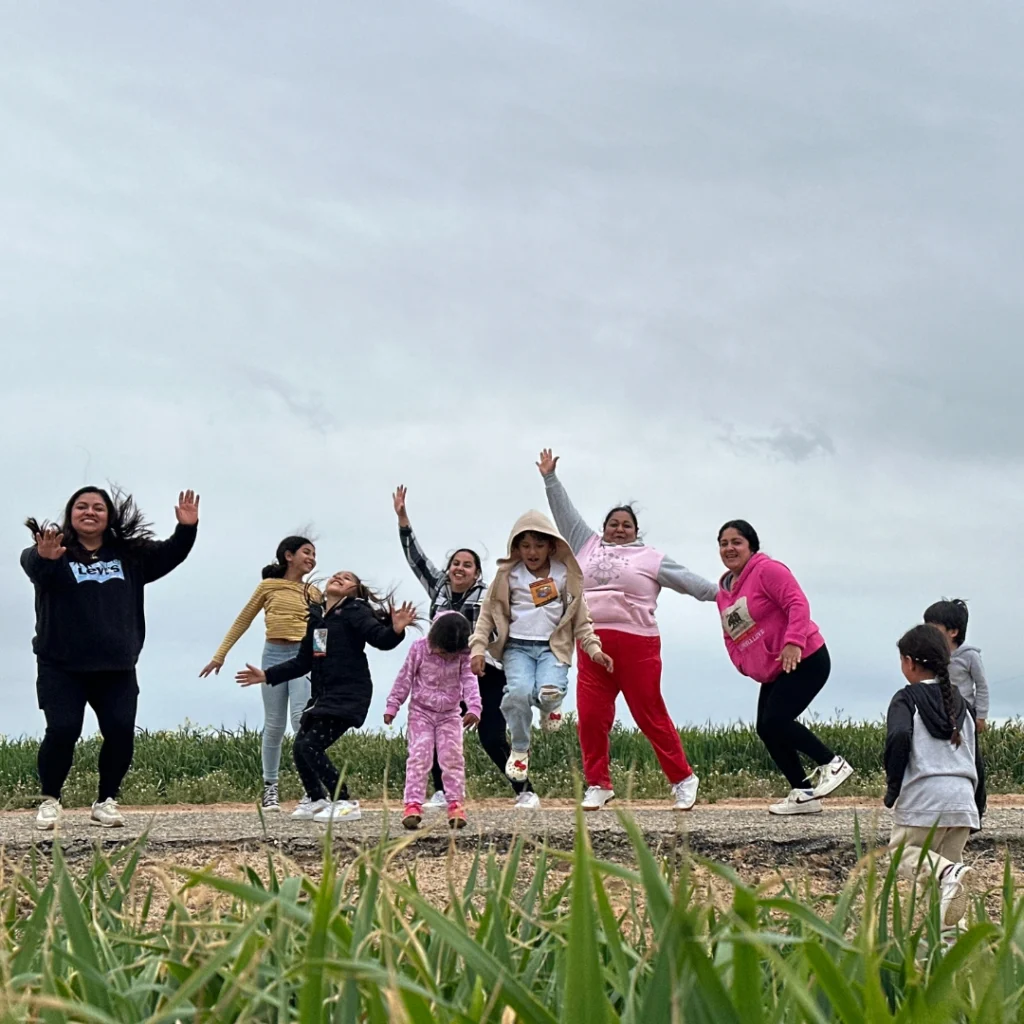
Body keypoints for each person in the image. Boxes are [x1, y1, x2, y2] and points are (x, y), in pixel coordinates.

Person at [538, 449, 717, 812]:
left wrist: (730, 594)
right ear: (602, 528)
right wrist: (550, 478)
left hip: (638, 646)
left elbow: (692, 583)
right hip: (592, 643)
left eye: (626, 525)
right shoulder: (586, 544)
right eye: (613, 524)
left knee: (649, 714)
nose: (619, 529)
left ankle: (683, 779)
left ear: (636, 532)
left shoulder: (650, 558)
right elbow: (564, 512)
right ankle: (598, 784)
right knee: (590, 717)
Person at [21, 486, 199, 831]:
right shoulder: (52, 552)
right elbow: (37, 571)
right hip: (61, 665)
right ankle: (50, 800)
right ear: (70, 514)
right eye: (82, 507)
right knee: (62, 730)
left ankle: (106, 800)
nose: (90, 512)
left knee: (120, 731)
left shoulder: (129, 556)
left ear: (109, 516)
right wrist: (46, 559)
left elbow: (170, 553)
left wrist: (186, 529)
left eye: (98, 508)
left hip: (116, 666)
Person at [393, 485, 539, 809]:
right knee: (433, 734)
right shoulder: (438, 588)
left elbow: (503, 624)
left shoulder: (488, 594)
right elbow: (415, 558)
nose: (459, 568)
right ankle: (442, 792)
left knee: (490, 736)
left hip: (482, 671)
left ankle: (525, 790)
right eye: (455, 563)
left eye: (467, 565)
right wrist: (403, 519)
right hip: (443, 675)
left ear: (476, 573)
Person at [236, 571, 416, 823]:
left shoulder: (355, 610)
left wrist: (395, 630)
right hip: (324, 695)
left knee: (310, 746)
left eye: (347, 578)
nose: (339, 578)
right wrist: (267, 675)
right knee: (300, 747)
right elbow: (304, 662)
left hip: (349, 693)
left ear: (355, 590)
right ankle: (317, 799)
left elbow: (378, 637)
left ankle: (344, 801)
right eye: (336, 575)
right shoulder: (319, 621)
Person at [716, 519, 853, 815]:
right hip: (776, 668)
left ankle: (832, 763)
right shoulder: (724, 593)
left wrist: (794, 641)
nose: (729, 548)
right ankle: (804, 794)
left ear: (751, 546)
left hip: (807, 657)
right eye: (724, 543)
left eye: (736, 542)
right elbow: (730, 635)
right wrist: (744, 664)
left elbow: (797, 604)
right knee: (765, 728)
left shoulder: (768, 570)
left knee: (777, 720)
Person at [470, 509, 613, 782]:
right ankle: (521, 749)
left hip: (552, 648)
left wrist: (594, 649)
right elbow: (487, 615)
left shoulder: (563, 575)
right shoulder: (508, 575)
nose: (532, 552)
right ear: (516, 547)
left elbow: (581, 620)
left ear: (551, 545)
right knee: (518, 694)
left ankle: (550, 705)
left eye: (538, 545)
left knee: (547, 692)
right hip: (517, 648)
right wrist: (478, 648)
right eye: (525, 546)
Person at [199, 536, 321, 813]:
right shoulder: (268, 586)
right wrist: (220, 655)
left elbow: (321, 630)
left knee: (302, 719)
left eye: (314, 554)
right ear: (288, 556)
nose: (312, 558)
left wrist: (322, 662)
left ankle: (311, 790)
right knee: (275, 724)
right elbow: (243, 619)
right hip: (274, 656)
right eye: (307, 552)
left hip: (303, 659)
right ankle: (270, 787)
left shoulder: (314, 593)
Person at [884, 624, 985, 929]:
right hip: (962, 801)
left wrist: (893, 788)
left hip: (925, 800)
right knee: (945, 885)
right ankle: (950, 939)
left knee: (904, 856)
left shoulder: (906, 698)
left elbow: (900, 735)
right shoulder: (963, 705)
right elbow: (978, 760)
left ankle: (950, 876)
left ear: (910, 662)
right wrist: (978, 805)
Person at [384, 611, 482, 830]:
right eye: (443, 652)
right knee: (419, 755)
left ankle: (455, 804)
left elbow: (469, 680)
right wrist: (393, 704)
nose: (447, 657)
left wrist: (474, 707)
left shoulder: (463, 655)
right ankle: (413, 805)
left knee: (452, 757)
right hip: (421, 712)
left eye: (452, 654)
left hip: (449, 714)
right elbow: (405, 677)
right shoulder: (419, 648)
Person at [923, 599, 989, 732]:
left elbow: (981, 686)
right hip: (937, 714)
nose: (928, 633)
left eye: (934, 629)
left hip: (964, 714)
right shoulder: (930, 655)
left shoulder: (970, 656)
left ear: (953, 632)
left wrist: (981, 716)